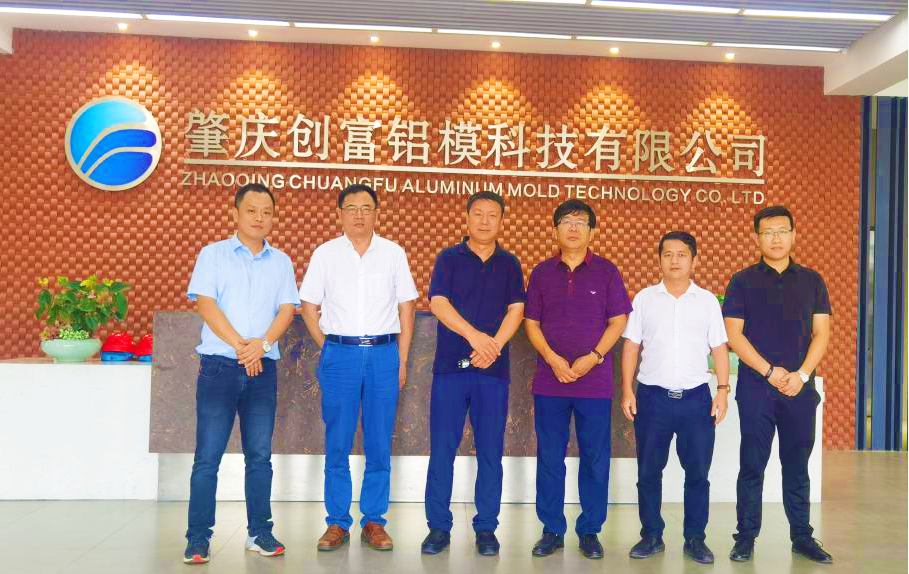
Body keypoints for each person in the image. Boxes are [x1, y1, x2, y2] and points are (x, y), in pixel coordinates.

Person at [183, 183, 300, 564]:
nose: (259, 218)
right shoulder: (213, 254)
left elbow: (287, 310)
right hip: (219, 368)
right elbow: (206, 304)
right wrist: (242, 346)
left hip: (262, 369)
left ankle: (260, 532)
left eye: (266, 212)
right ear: (235, 213)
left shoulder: (281, 262)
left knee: (260, 456)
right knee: (208, 457)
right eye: (251, 210)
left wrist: (260, 346)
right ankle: (198, 538)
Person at [299, 184, 418, 552]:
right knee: (337, 442)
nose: (359, 215)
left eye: (367, 208)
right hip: (340, 354)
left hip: (384, 354)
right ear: (340, 213)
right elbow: (308, 306)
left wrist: (401, 359)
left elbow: (407, 309)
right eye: (351, 208)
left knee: (379, 441)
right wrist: (329, 346)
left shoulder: (394, 253)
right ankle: (337, 522)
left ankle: (374, 521)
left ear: (377, 213)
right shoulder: (325, 254)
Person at [723, 206, 832, 564]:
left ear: (793, 235)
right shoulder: (742, 281)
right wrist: (770, 372)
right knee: (752, 465)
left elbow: (822, 332)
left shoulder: (812, 281)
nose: (776, 238)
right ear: (756, 238)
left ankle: (802, 537)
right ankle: (745, 537)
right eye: (768, 232)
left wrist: (802, 375)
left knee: (797, 466)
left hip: (800, 390)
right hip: (757, 389)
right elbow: (734, 335)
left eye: (782, 231)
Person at [524, 199, 631, 560]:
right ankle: (552, 529)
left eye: (581, 222)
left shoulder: (607, 272)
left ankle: (589, 530)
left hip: (594, 383)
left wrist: (594, 357)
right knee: (550, 457)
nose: (573, 228)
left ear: (592, 231)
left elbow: (618, 321)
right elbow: (531, 323)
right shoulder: (541, 273)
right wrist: (552, 359)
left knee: (595, 458)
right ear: (555, 229)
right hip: (550, 380)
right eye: (566, 221)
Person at [421, 191, 526, 557]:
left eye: (492, 215)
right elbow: (438, 303)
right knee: (442, 449)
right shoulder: (448, 258)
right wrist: (475, 337)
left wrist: (492, 346)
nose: (484, 221)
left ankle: (486, 527)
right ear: (466, 218)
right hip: (451, 369)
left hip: (493, 372)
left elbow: (516, 309)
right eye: (478, 214)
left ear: (501, 221)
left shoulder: (509, 263)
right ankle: (438, 527)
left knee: (491, 452)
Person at [621, 231, 730, 564]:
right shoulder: (644, 299)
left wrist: (722, 391)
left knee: (697, 473)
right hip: (652, 399)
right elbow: (631, 346)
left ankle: (695, 539)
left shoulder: (707, 301)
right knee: (648, 473)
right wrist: (627, 389)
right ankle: (651, 535)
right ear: (659, 259)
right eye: (668, 254)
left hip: (696, 400)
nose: (674, 260)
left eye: (682, 254)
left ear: (694, 259)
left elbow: (720, 348)